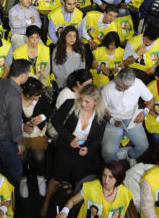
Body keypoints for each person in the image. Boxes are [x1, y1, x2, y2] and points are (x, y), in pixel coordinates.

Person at [40, 84, 107, 218]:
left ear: (96, 102)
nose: (82, 104)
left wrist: (88, 149)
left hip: (83, 153)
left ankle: (73, 207)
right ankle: (46, 201)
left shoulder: (101, 116)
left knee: (79, 181)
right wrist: (69, 138)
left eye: (87, 101)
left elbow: (97, 139)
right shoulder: (70, 104)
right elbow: (56, 120)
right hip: (65, 147)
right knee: (56, 179)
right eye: (81, 99)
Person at [0, 59, 30, 186]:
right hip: (3, 138)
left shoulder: (1, 82)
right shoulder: (14, 97)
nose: (28, 76)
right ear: (22, 76)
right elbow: (15, 125)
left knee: (3, 162)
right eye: (28, 73)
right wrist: (20, 143)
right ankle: (7, 193)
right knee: (16, 171)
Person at [101, 68, 154, 165]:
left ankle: (130, 155)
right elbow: (102, 109)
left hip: (132, 118)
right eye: (124, 86)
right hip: (113, 120)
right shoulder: (108, 89)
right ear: (117, 80)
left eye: (130, 86)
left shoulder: (138, 83)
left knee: (143, 146)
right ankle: (114, 164)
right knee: (108, 152)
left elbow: (151, 100)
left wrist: (144, 112)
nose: (128, 88)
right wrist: (111, 120)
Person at [55, 161, 134, 218]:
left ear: (118, 179)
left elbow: (121, 213)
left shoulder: (125, 193)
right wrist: (64, 212)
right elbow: (72, 201)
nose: (106, 180)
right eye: (104, 175)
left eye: (110, 177)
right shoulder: (91, 187)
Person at [19, 77, 52, 198]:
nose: (40, 96)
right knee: (22, 156)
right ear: (27, 95)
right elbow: (10, 119)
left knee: (39, 156)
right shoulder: (15, 99)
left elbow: (49, 111)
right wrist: (22, 126)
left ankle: (40, 178)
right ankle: (23, 180)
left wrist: (42, 117)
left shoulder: (41, 97)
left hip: (38, 133)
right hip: (20, 134)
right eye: (36, 95)